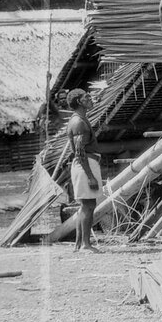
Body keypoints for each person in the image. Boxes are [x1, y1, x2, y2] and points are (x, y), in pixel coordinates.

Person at [66, 89, 101, 253]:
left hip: (84, 163)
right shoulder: (79, 123)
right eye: (86, 97)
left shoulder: (79, 120)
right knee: (89, 205)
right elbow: (79, 152)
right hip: (85, 164)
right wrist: (90, 176)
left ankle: (79, 244)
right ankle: (86, 245)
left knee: (85, 206)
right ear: (79, 102)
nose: (90, 98)